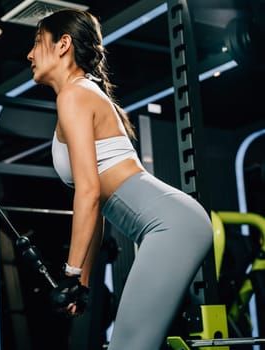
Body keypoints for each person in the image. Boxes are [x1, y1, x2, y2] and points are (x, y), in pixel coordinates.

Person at [26, 8, 213, 350]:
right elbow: (95, 207)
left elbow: (89, 192)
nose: (30, 53)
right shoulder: (80, 94)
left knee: (128, 346)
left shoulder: (74, 95)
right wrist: (80, 282)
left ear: (63, 44)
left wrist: (69, 272)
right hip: (173, 223)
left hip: (172, 225)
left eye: (37, 43)